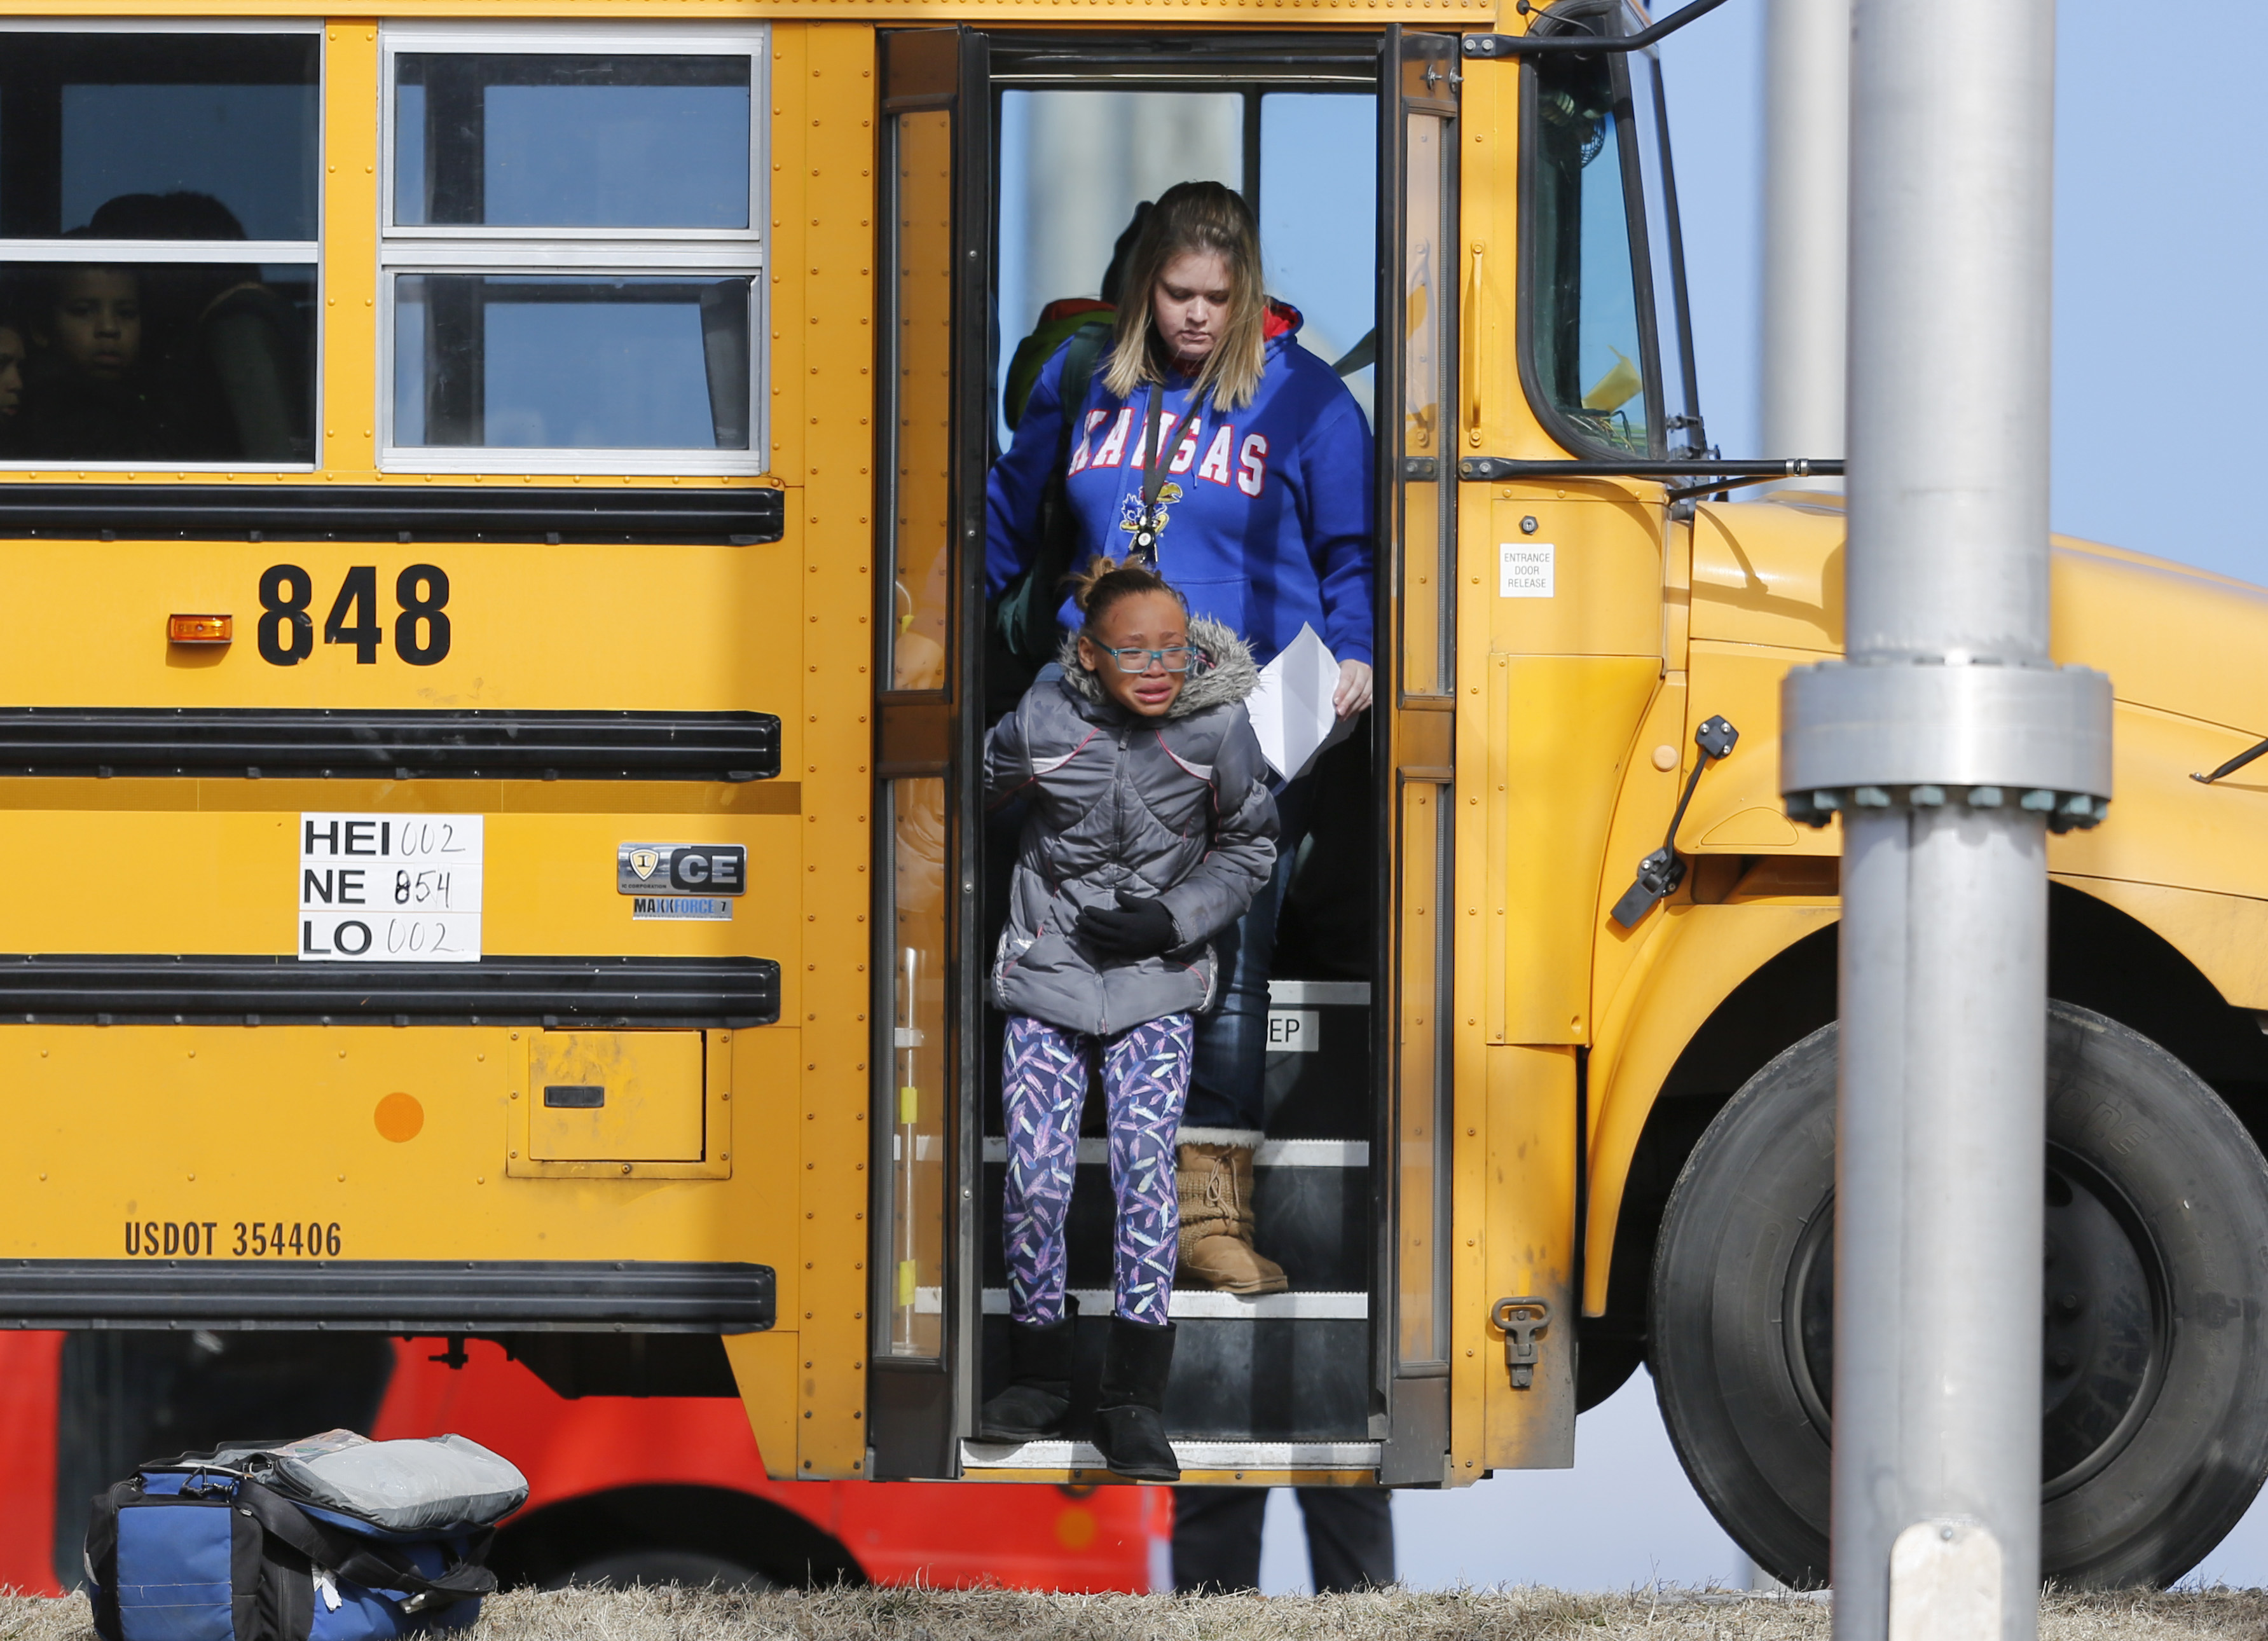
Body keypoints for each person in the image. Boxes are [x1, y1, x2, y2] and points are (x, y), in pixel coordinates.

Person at [985, 179, 1375, 1294]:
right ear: (1145, 286)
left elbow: (1353, 559)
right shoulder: (1081, 383)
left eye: (1218, 296)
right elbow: (1006, 526)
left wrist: (1353, 654)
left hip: (1246, 713)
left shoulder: (1305, 402)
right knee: (1060, 939)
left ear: (1247, 290)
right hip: (1097, 705)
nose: (1198, 317)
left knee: (1225, 955)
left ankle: (1207, 1215)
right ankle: (1053, 1201)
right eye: (1177, 294)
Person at [977, 559, 1277, 1483]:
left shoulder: (1221, 727)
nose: (1157, 668)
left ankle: (1134, 1401)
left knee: (1148, 1167)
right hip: (1051, 973)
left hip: (1154, 974)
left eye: (1173, 649)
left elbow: (1251, 844)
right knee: (1036, 1170)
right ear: (1089, 654)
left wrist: (1174, 917)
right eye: (1133, 651)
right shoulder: (1038, 721)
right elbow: (969, 801)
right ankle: (1037, 1373)